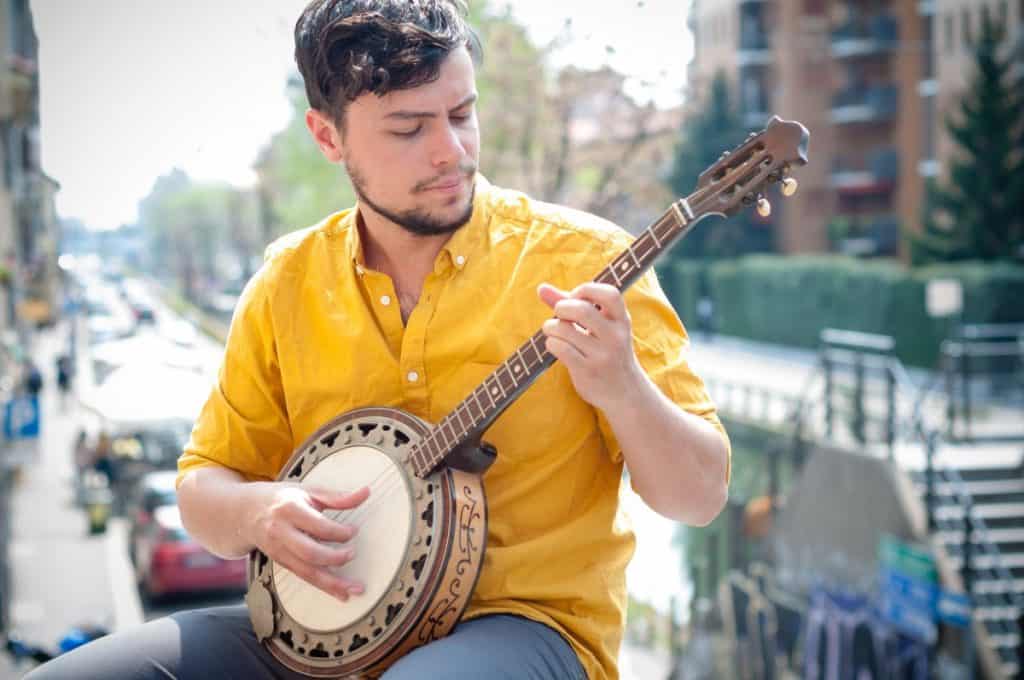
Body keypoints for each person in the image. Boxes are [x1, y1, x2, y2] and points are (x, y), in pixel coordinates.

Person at [28, 2, 730, 678]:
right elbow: (203, 490)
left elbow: (699, 496)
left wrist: (624, 388)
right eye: (408, 128)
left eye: (462, 114)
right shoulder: (287, 282)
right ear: (328, 136)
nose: (450, 150)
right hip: (322, 639)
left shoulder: (586, 261)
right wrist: (260, 512)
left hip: (527, 629)